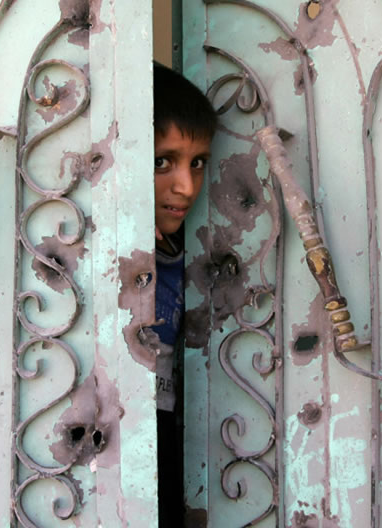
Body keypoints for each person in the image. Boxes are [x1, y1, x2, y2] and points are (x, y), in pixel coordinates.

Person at [149, 62, 217, 527]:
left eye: (197, 162)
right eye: (163, 162)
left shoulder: (181, 244)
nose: (186, 187)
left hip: (167, 431)